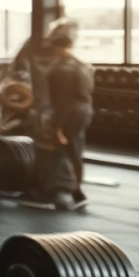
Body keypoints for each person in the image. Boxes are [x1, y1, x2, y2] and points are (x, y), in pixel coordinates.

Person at [36, 18, 93, 210]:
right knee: (75, 151)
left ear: (56, 47)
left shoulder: (58, 70)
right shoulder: (83, 65)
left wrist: (59, 127)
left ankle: (57, 194)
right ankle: (76, 193)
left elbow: (61, 103)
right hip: (85, 111)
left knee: (56, 150)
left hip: (70, 113)